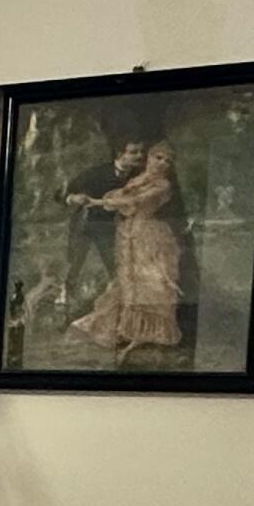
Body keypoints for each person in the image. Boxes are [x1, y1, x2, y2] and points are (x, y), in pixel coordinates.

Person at [69, 140, 184, 354]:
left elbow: (135, 201)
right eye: (158, 157)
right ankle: (127, 330)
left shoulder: (163, 185)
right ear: (149, 158)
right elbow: (121, 197)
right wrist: (106, 200)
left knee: (149, 281)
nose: (162, 163)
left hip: (149, 234)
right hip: (128, 233)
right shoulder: (138, 178)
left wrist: (96, 202)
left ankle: (144, 333)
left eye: (168, 161)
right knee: (127, 280)